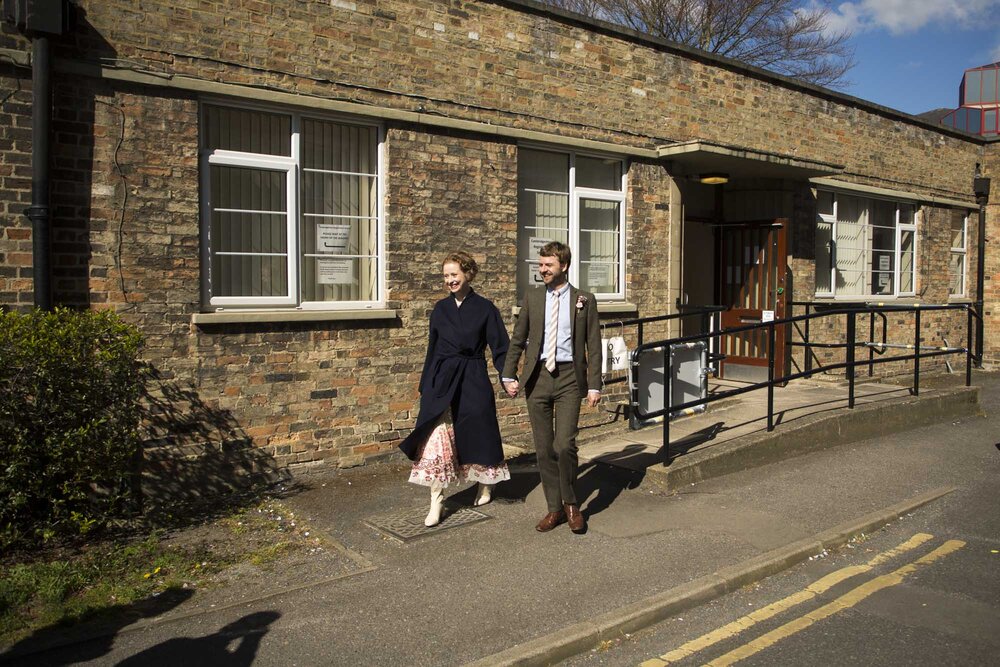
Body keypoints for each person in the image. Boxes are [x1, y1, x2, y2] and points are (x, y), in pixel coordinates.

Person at [398, 252, 511, 527]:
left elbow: (500, 347)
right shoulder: (440, 310)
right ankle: (436, 501)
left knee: (480, 433)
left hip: (473, 378)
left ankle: (486, 484)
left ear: (468, 274)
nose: (450, 280)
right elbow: (432, 348)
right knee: (436, 439)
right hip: (442, 379)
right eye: (446, 276)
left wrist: (508, 376)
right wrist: (426, 384)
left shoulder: (486, 309)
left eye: (454, 275)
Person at [502, 242, 601, 534]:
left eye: (548, 265)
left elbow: (593, 345)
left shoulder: (584, 299)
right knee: (544, 449)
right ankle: (554, 509)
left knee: (564, 445)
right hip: (538, 378)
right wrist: (509, 374)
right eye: (540, 264)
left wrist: (595, 384)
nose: (542, 270)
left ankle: (571, 504)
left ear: (564, 266)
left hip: (570, 376)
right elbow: (518, 339)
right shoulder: (532, 297)